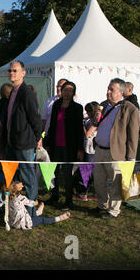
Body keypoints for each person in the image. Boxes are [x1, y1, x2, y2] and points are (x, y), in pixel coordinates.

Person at [89, 78, 139, 219]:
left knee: (116, 182)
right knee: (98, 181)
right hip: (99, 150)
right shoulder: (103, 105)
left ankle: (113, 210)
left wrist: (131, 158)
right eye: (108, 88)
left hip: (116, 152)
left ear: (121, 92)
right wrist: (95, 117)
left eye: (112, 90)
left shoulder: (130, 109)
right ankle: (102, 205)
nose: (108, 92)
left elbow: (133, 136)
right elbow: (94, 124)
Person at [2, 60, 43, 217]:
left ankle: (31, 211)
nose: (12, 73)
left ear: (23, 73)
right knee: (14, 178)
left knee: (28, 178)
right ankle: (16, 208)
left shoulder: (27, 93)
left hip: (24, 143)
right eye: (10, 70)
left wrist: (36, 138)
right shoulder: (13, 92)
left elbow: (35, 119)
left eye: (15, 70)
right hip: (13, 142)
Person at [44, 81, 84, 210]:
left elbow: (79, 129)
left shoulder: (77, 108)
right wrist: (48, 142)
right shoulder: (56, 104)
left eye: (70, 90)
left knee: (67, 174)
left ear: (73, 92)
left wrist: (79, 148)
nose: (67, 93)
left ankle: (68, 200)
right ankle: (54, 195)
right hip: (55, 144)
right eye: (65, 89)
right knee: (54, 172)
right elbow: (52, 124)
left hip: (69, 146)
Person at [3, 181, 70, 230]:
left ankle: (38, 212)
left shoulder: (6, 198)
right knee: (41, 219)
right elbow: (32, 203)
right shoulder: (21, 198)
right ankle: (59, 218)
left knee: (24, 211)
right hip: (23, 224)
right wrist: (36, 202)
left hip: (12, 223)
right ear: (15, 188)